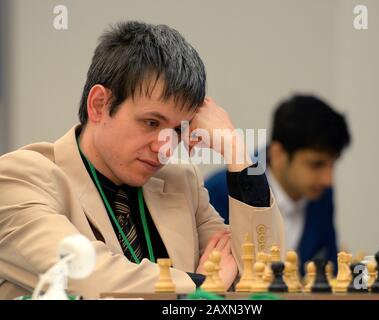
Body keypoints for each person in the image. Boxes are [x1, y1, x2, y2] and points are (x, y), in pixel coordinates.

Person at [0, 21, 285, 299]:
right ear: (99, 104)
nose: (165, 148)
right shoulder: (19, 178)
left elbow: (262, 279)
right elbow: (88, 277)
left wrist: (237, 153)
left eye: (177, 130)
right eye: (151, 122)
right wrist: (204, 287)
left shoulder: (180, 183)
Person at [205, 95, 351, 274]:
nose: (328, 180)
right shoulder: (220, 190)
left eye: (332, 164)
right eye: (316, 164)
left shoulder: (319, 194)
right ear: (278, 154)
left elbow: (330, 270)